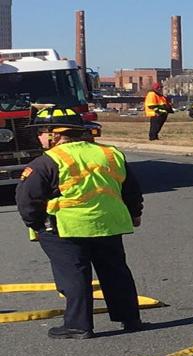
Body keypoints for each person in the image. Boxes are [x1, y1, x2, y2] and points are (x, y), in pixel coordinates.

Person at [16, 106, 145, 339]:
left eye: (41, 131)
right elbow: (131, 189)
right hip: (108, 224)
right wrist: (135, 213)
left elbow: (28, 198)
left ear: (55, 134)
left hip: (65, 228)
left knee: (74, 274)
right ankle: (130, 318)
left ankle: (78, 325)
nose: (39, 137)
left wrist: (35, 223)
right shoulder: (111, 154)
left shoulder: (46, 162)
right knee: (116, 272)